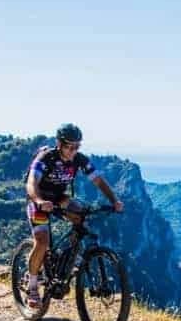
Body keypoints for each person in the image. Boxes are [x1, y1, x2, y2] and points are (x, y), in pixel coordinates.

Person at [23, 123, 123, 308]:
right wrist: (38, 200)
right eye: (69, 146)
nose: (73, 150)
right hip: (39, 198)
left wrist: (114, 201)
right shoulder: (46, 158)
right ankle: (32, 285)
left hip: (59, 198)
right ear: (59, 144)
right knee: (42, 241)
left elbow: (99, 181)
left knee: (81, 215)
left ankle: (64, 262)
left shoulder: (80, 160)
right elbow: (31, 183)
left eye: (77, 146)